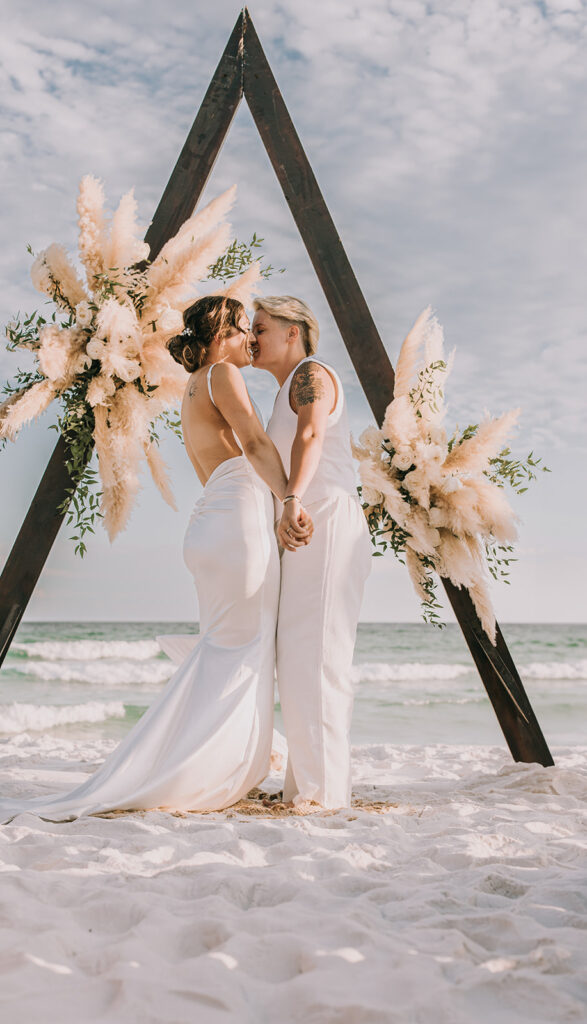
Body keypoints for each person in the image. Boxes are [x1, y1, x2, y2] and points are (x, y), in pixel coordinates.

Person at [0, 295, 311, 824]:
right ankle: (201, 770)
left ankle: (209, 763)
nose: (251, 340)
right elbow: (254, 443)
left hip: (210, 524)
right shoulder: (223, 373)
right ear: (223, 331)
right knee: (241, 649)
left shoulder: (195, 386)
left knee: (225, 647)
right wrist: (294, 496)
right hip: (237, 522)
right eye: (246, 328)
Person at [250, 295, 372, 810]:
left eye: (260, 327)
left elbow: (313, 433)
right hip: (301, 525)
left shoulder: (312, 373)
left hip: (323, 519)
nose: (251, 337)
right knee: (299, 657)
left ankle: (322, 795)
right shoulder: (284, 390)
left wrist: (293, 497)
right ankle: (308, 787)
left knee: (318, 656)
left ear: (293, 331)